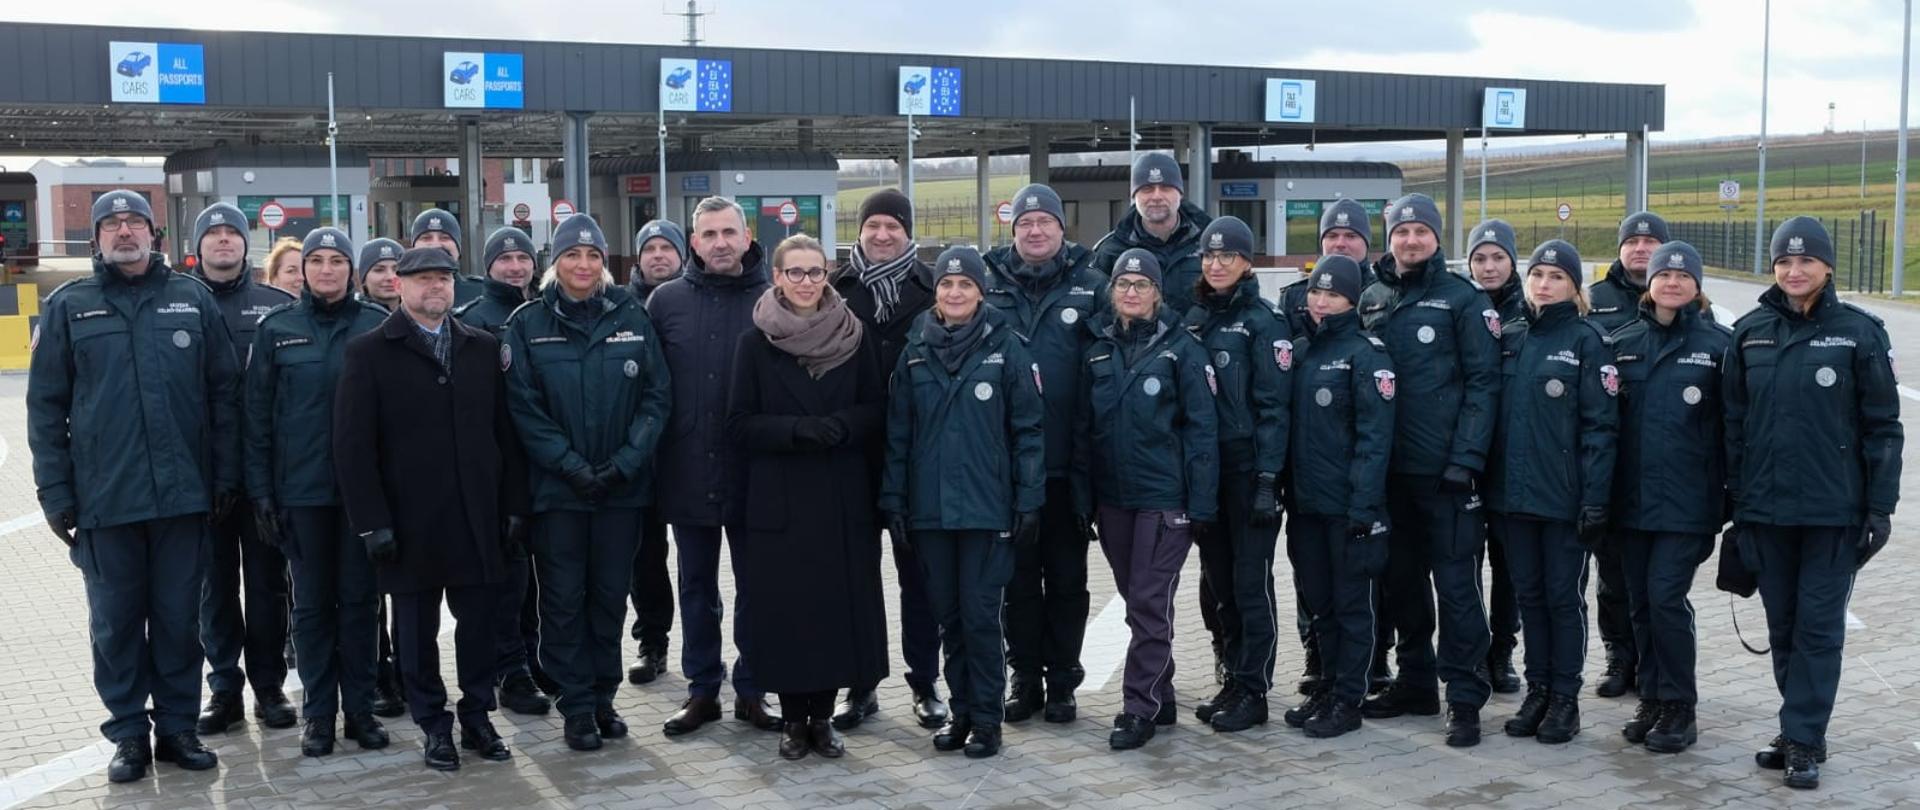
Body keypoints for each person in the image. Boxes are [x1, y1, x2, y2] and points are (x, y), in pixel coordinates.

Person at [28, 190, 241, 782]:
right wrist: (55, 494)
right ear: (95, 238)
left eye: (135, 223)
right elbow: (45, 410)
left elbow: (224, 396)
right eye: (112, 224)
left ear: (155, 233)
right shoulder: (70, 307)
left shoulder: (191, 300)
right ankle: (128, 735)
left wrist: (223, 476)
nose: (125, 232)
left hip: (183, 499)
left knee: (178, 620)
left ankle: (176, 728)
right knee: (116, 625)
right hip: (106, 503)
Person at [332, 246, 529, 771]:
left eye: (443, 278)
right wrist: (371, 522)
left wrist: (513, 506)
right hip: (407, 522)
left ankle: (478, 716)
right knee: (415, 631)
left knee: (480, 624)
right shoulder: (369, 352)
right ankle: (433, 724)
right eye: (422, 280)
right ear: (400, 286)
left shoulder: (482, 348)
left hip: (475, 516)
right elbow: (353, 447)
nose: (435, 288)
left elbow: (503, 434)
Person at [1726, 217, 1902, 790]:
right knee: (1783, 626)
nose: (1794, 271)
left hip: (1833, 513)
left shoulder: (1859, 333)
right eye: (1783, 262)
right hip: (1766, 511)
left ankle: (1803, 739)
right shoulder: (1750, 331)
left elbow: (1883, 427)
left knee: (1818, 631)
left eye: (1805, 262)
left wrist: (1880, 507)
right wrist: (1735, 500)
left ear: (1827, 267)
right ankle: (1799, 724)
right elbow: (1733, 424)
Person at [503, 214, 670, 752]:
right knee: (563, 602)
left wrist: (623, 463)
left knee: (608, 599)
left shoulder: (632, 317)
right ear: (556, 263)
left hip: (621, 492)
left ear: (604, 262)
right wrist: (572, 466)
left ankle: (604, 696)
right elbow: (523, 409)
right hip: (558, 495)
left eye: (593, 255)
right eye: (572, 256)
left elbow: (656, 399)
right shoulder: (528, 324)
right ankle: (575, 706)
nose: (583, 265)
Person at [879, 245, 1046, 759]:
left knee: (978, 615)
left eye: (965, 285)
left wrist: (1029, 499)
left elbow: (1028, 430)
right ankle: (962, 712)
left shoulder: (1008, 349)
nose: (955, 293)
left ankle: (988, 720)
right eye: (947, 285)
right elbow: (899, 435)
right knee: (948, 616)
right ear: (937, 293)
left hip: (987, 508)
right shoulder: (914, 350)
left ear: (980, 291)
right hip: (931, 511)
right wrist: (895, 501)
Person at [727, 233, 888, 760]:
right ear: (776, 277)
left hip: (841, 497)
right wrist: (797, 430)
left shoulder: (855, 335)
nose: (805, 282)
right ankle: (794, 720)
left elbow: (876, 408)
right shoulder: (754, 343)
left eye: (815, 272)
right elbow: (739, 424)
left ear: (828, 276)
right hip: (781, 499)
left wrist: (841, 426)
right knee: (787, 614)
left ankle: (824, 718)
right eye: (794, 272)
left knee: (835, 613)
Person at [1355, 193, 1498, 747]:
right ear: (1388, 239)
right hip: (1389, 476)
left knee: (1457, 586)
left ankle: (1464, 696)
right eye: (1400, 231)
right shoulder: (1372, 297)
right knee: (1400, 584)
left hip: (1446, 476)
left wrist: (1466, 459)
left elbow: (1484, 385)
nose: (1410, 240)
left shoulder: (1463, 300)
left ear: (1437, 237)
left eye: (1420, 230)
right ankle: (1415, 681)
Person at [244, 227, 393, 757]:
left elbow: (397, 425)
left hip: (362, 500)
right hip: (300, 496)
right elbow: (257, 418)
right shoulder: (277, 330)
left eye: (337, 261)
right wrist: (261, 493)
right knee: (310, 609)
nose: (327, 270)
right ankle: (318, 716)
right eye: (317, 261)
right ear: (302, 269)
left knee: (360, 604)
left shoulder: (379, 326)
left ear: (352, 271)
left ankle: (359, 711)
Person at [1073, 248, 1219, 750]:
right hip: (1114, 500)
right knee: (1139, 601)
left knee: (1149, 603)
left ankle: (1140, 706)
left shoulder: (1182, 350)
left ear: (1158, 291)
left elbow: (1202, 432)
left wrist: (1201, 505)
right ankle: (1163, 691)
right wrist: (1083, 497)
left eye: (1141, 284)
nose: (1131, 292)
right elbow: (1083, 430)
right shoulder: (1096, 349)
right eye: (1122, 284)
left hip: (1164, 499)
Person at [647, 196, 782, 735]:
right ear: (694, 242)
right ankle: (702, 689)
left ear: (748, 237)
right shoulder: (666, 302)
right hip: (688, 468)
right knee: (696, 585)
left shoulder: (774, 298)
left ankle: (754, 689)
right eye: (709, 234)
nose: (721, 243)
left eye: (730, 232)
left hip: (757, 473)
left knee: (760, 585)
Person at [1487, 239, 1619, 746]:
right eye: (1538, 274)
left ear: (1574, 286)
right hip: (1513, 499)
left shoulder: (1589, 341)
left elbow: (1601, 428)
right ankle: (1537, 690)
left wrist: (1594, 498)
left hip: (1563, 501)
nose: (1544, 284)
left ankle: (1565, 697)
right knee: (1530, 598)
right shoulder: (1512, 336)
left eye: (1556, 276)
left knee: (1564, 601)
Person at [983, 183, 1105, 723]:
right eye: (1025, 224)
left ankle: (1063, 681)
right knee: (1016, 581)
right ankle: (1023, 677)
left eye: (1045, 223)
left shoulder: (1092, 288)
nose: (1035, 232)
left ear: (1062, 229)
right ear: (1013, 232)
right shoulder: (987, 286)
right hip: (1008, 468)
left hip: (1067, 468)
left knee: (1068, 581)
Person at [829, 188, 949, 731]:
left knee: (918, 577)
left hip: (915, 459)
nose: (881, 235)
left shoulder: (933, 290)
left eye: (892, 227)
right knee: (853, 579)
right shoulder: (834, 290)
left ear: (907, 232)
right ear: (859, 230)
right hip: (849, 457)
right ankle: (858, 685)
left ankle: (925, 682)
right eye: (872, 225)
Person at [185, 203, 299, 737]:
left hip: (262, 481)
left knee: (267, 587)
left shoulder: (275, 308)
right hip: (203, 481)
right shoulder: (179, 304)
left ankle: (270, 687)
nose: (225, 241)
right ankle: (224, 689)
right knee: (215, 591)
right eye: (215, 234)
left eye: (234, 232)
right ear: (198, 246)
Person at [1609, 240, 1727, 755]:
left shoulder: (1721, 346)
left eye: (1684, 275)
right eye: (1664, 275)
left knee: (1665, 598)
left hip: (1688, 503)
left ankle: (1681, 706)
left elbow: (1734, 429)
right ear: (1649, 282)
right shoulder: (1622, 341)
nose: (1673, 282)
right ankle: (1653, 697)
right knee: (1639, 603)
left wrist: (1730, 499)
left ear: (1697, 285)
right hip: (1630, 502)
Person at [1182, 216, 1291, 733]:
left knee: (1250, 584)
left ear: (1248, 262)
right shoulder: (1197, 318)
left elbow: (1274, 406)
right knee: (1219, 582)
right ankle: (1232, 675)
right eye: (1209, 255)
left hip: (1249, 473)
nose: (1217, 264)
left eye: (1228, 256)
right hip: (1208, 473)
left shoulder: (1263, 322)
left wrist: (1269, 478)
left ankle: (1254, 688)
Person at [1279, 255, 1394, 740]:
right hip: (1306, 507)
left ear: (1353, 299)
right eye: (1316, 293)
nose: (1321, 301)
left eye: (1333, 294)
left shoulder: (1368, 355)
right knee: (1320, 605)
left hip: (1348, 509)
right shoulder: (1302, 353)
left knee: (1352, 606)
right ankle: (1326, 686)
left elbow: (1375, 437)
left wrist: (1363, 507)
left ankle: (1350, 697)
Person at [453, 227, 553, 718]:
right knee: (508, 577)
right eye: (504, 258)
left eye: (522, 257)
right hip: (499, 470)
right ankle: (510, 668)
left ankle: (538, 658)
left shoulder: (545, 312)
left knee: (546, 577)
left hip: (548, 466)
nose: (515, 266)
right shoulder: (470, 321)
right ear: (488, 264)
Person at [1586, 210, 1668, 698]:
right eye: (1632, 242)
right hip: (1608, 460)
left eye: (1651, 241)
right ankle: (1620, 657)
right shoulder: (1593, 302)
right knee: (1611, 573)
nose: (1641, 249)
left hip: (1662, 463)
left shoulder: (1684, 296)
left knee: (1657, 582)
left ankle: (1657, 661)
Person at [626, 218, 688, 686]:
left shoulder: (695, 301)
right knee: (645, 556)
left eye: (668, 248)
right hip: (639, 452)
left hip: (689, 449)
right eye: (651, 249)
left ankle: (706, 648)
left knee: (698, 561)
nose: (659, 256)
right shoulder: (618, 308)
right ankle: (653, 641)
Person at [1464, 219, 1524, 695]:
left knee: (1509, 566)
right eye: (1480, 259)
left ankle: (1501, 652)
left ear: (1512, 261)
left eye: (1497, 257)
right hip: (1466, 457)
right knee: (1465, 563)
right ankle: (1471, 649)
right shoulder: (1461, 308)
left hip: (1513, 459)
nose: (1488, 267)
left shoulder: (1532, 310)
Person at [1090, 152, 1213, 317]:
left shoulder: (1211, 243)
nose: (1156, 196)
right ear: (1134, 196)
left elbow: (1238, 296)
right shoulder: (1110, 251)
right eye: (1147, 189)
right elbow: (1095, 310)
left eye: (1165, 188)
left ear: (1180, 193)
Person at [410, 207, 487, 306]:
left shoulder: (482, 293)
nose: (435, 245)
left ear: (458, 249)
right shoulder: (399, 293)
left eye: (444, 238)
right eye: (426, 238)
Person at [358, 238, 404, 314]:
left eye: (396, 270)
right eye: (379, 270)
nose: (390, 277)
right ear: (364, 279)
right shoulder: (352, 319)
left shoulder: (420, 316)